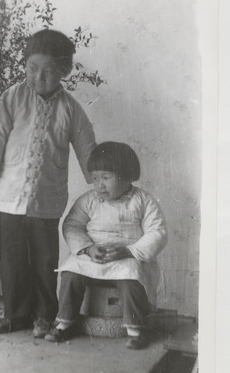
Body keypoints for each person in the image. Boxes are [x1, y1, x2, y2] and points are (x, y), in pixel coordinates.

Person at [0, 29, 96, 337]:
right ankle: (16, 314)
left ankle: (45, 315)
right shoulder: (13, 97)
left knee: (46, 260)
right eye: (32, 68)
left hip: (47, 198)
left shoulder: (71, 109)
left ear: (64, 70)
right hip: (9, 195)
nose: (38, 76)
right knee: (13, 260)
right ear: (25, 65)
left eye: (48, 70)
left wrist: (97, 183)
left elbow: (87, 146)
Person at [45, 142, 167, 349]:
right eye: (95, 178)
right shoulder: (89, 200)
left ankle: (136, 330)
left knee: (132, 278)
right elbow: (72, 225)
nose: (99, 185)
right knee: (70, 273)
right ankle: (65, 322)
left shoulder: (142, 200)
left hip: (128, 256)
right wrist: (87, 248)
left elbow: (158, 231)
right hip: (94, 254)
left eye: (106, 178)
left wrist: (129, 251)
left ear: (126, 176)